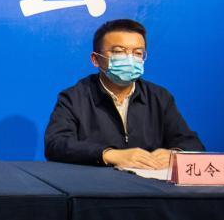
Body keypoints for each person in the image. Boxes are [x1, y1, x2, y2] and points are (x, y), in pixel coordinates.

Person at [44, 18, 203, 168]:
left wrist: (175, 154)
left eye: (138, 53)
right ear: (95, 59)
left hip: (151, 184)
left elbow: (192, 143)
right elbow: (56, 145)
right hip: (96, 184)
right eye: (119, 52)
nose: (130, 59)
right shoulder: (74, 97)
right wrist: (109, 155)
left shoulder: (159, 97)